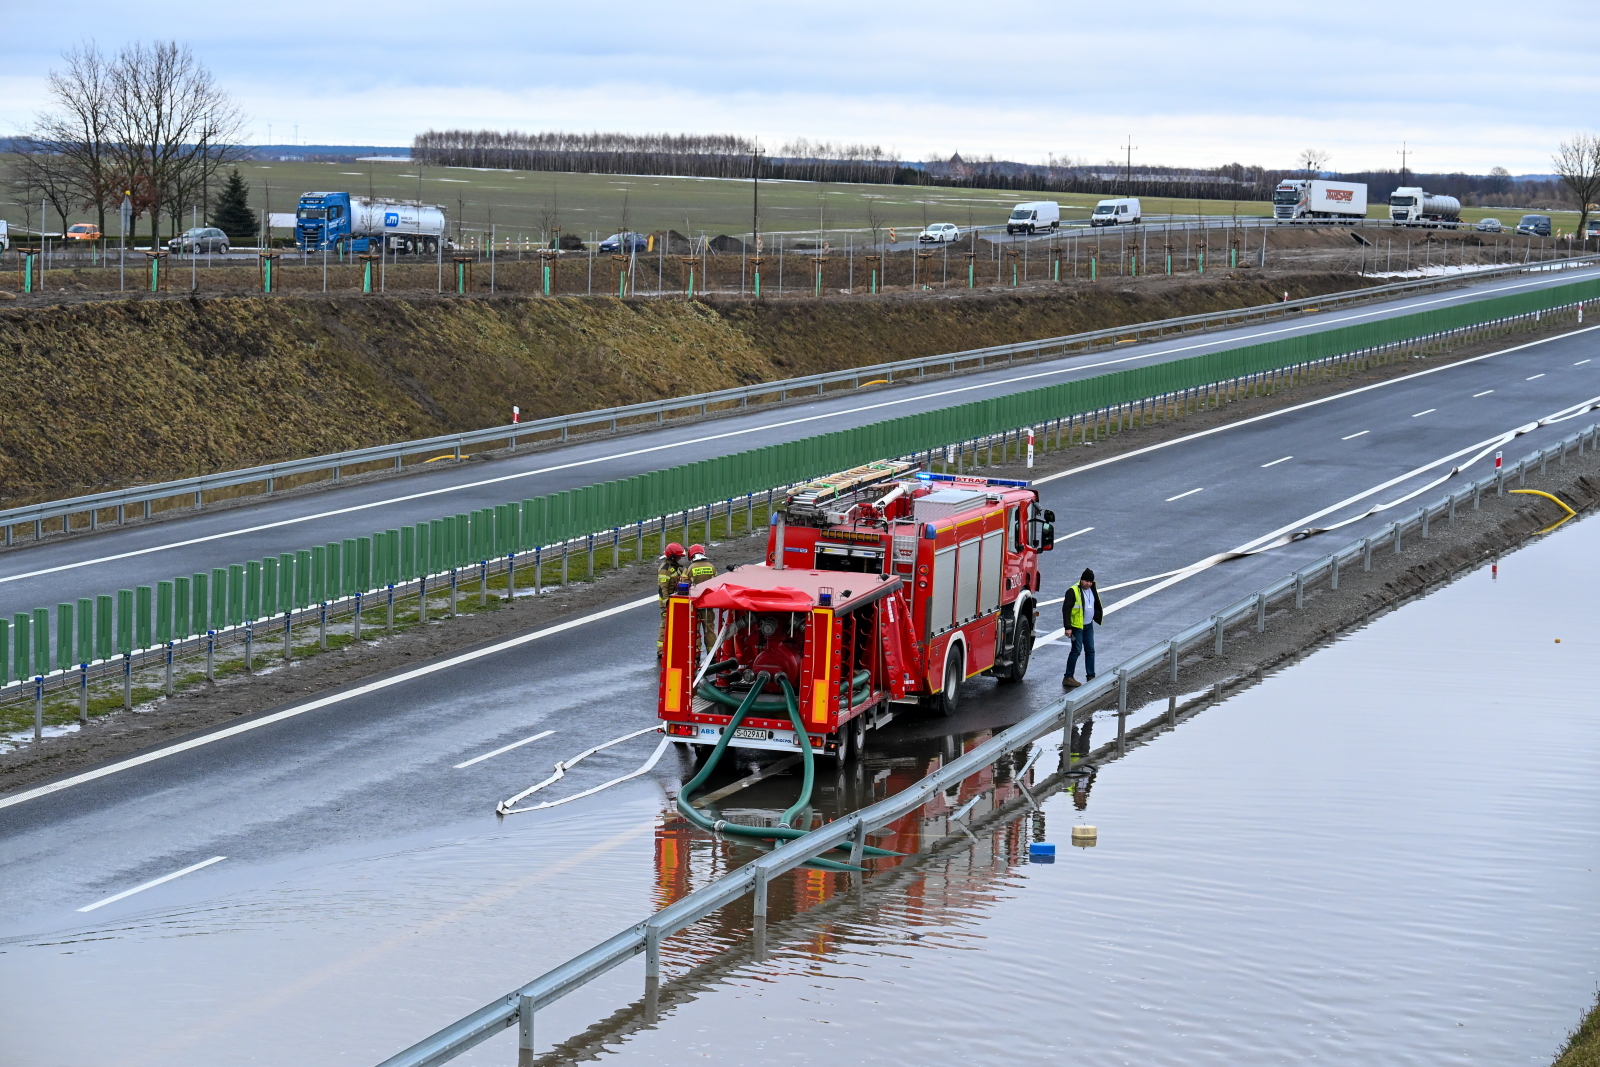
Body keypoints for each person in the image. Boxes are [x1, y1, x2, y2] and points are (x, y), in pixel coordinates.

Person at [1061, 568, 1102, 689]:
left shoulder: (1092, 589)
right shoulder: (1073, 591)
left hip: (1088, 625)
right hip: (1077, 627)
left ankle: (1091, 676)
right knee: (1076, 650)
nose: (1088, 583)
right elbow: (1066, 610)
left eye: (1090, 581)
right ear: (1081, 580)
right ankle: (1068, 677)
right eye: (1086, 581)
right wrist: (1068, 627)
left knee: (1090, 650)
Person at [657, 542, 688, 655]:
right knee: (665, 625)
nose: (680, 558)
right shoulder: (665, 569)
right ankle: (661, 650)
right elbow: (663, 589)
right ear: (673, 556)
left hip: (675, 600)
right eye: (678, 556)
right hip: (667, 602)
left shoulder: (675, 567)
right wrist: (666, 605)